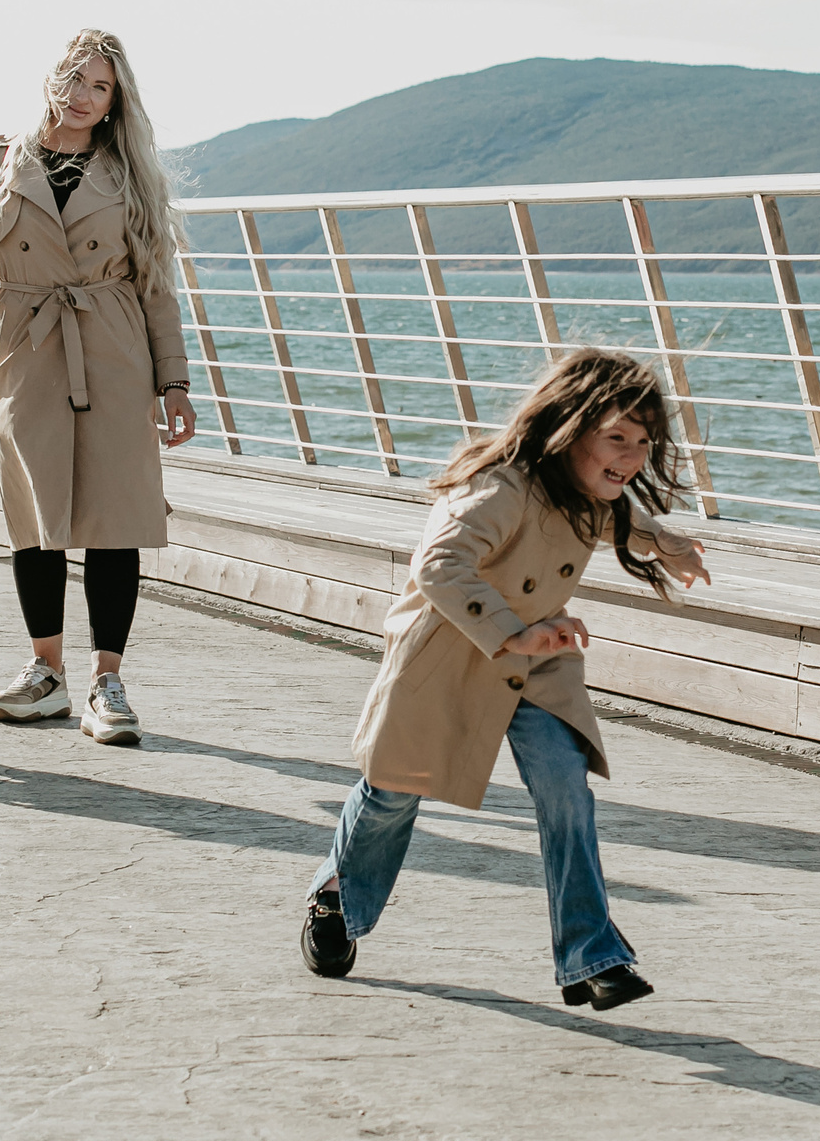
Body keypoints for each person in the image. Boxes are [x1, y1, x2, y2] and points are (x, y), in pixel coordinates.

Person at [301, 348, 712, 1011]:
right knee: (393, 791)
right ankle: (336, 898)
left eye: (644, 442)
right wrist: (510, 632)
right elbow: (439, 563)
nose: (634, 457)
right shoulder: (501, 485)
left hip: (537, 658)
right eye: (618, 438)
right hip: (451, 652)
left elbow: (620, 516)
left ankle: (591, 956)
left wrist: (670, 547)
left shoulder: (588, 487)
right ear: (571, 428)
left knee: (566, 788)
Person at [0, 30, 196, 745]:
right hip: (23, 350)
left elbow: (155, 283)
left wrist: (173, 380)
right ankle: (46, 671)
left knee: (115, 518)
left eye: (101, 87)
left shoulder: (130, 173)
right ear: (52, 79)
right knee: (33, 513)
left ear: (116, 101)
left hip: (113, 348)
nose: (84, 96)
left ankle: (106, 682)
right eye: (76, 79)